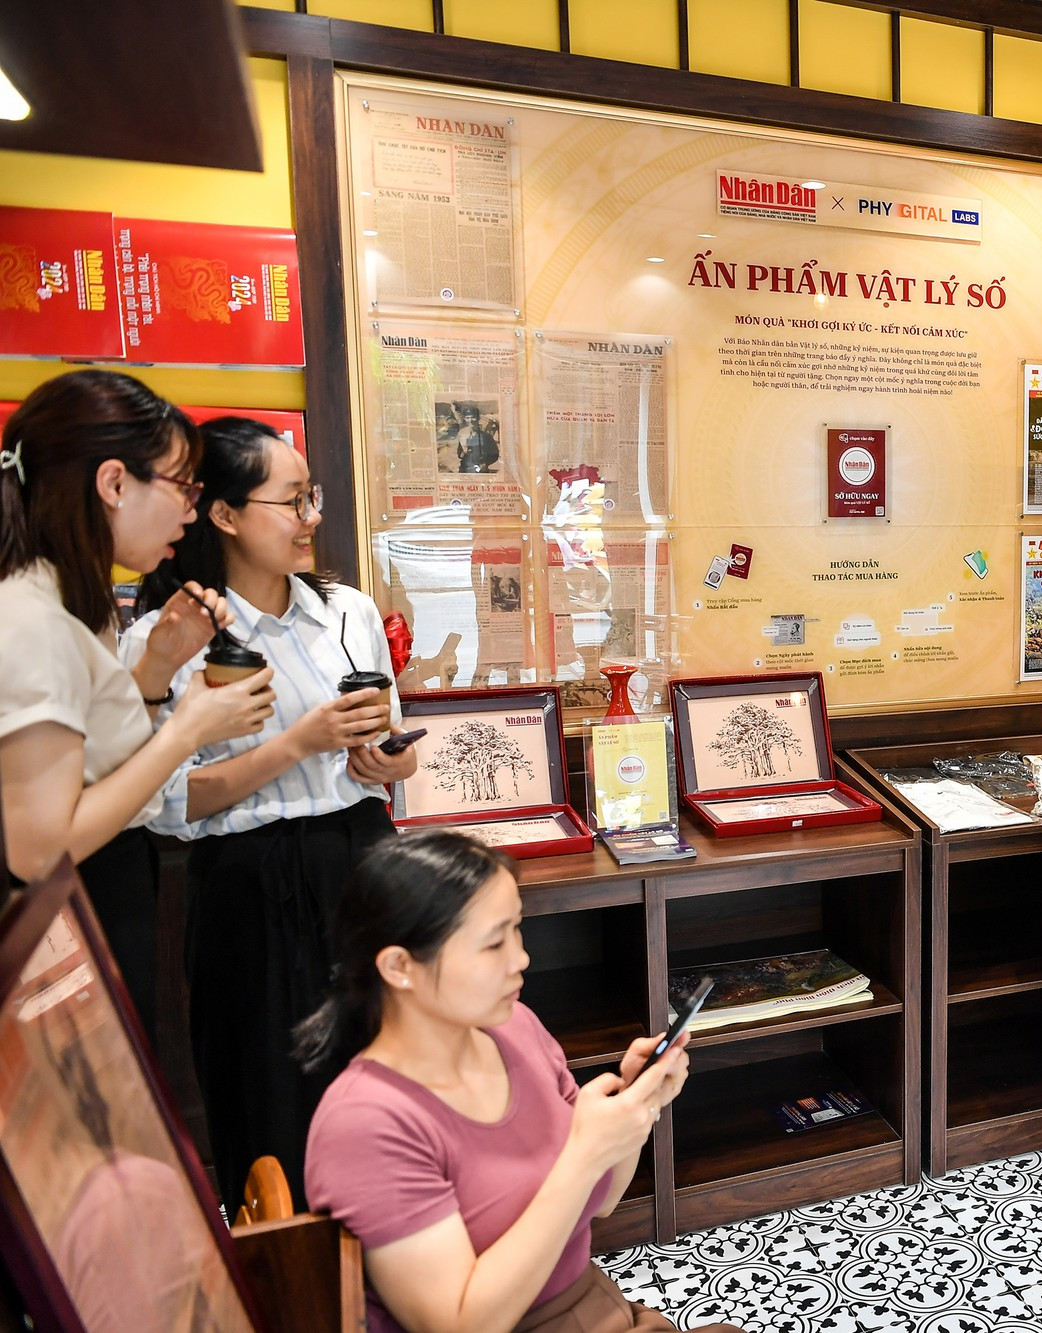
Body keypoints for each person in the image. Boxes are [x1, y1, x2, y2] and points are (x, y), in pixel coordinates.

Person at [123, 416, 415, 1204]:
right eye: (292, 500)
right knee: (271, 1100)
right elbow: (166, 804)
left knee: (391, 1081)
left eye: (311, 496)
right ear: (223, 514)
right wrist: (298, 743)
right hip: (250, 887)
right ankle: (295, 1286)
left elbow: (397, 749)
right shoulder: (166, 639)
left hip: (365, 861)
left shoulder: (347, 609)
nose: (312, 516)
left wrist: (384, 758)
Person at [300, 831, 747, 1333]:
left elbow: (600, 1203)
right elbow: (460, 1324)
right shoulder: (366, 1125)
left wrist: (636, 1106)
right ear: (400, 966)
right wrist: (583, 1155)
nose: (521, 959)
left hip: (596, 1306)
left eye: (517, 929)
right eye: (494, 943)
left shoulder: (514, 1027)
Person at [0, 370, 275, 1043]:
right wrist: (186, 732)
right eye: (183, 486)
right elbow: (41, 850)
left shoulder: (75, 599)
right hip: (60, 925)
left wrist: (156, 666)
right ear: (114, 483)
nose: (191, 510)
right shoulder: (30, 618)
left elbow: (94, 760)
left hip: (102, 907)